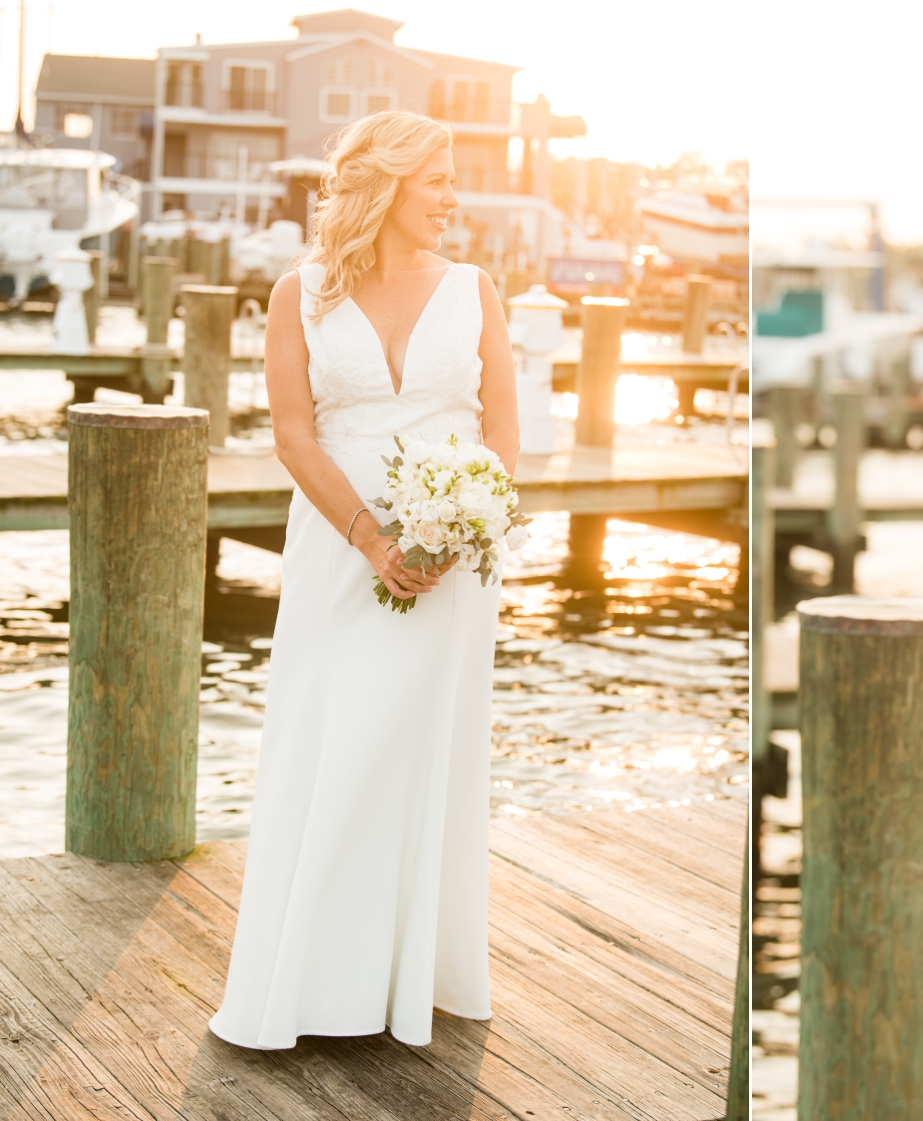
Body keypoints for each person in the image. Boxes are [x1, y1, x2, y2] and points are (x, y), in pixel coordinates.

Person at [209, 110, 519, 1049]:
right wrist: (370, 536)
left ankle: (403, 976)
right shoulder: (297, 292)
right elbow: (294, 434)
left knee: (415, 743)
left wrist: (462, 524)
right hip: (337, 549)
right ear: (386, 186)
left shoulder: (476, 290)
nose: (454, 199)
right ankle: (310, 978)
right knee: (328, 737)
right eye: (439, 181)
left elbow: (502, 432)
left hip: (450, 555)